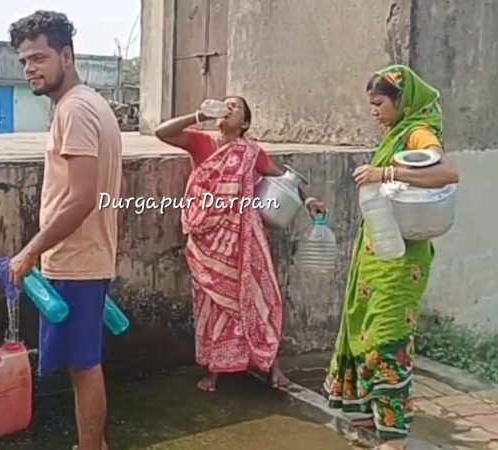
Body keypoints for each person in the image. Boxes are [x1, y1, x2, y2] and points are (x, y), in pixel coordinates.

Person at [323, 65, 459, 450]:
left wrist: (385, 173)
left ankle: (394, 436)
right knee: (362, 327)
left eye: (379, 102)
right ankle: (372, 411)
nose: (373, 110)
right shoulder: (396, 134)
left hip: (402, 260)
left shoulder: (419, 131)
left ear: (403, 100)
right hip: (378, 252)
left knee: (387, 336)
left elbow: (447, 172)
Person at [7, 10, 122, 450]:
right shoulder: (92, 104)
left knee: (83, 366)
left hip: (76, 261)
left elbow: (82, 197)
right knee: (83, 363)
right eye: (24, 62)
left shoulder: (74, 110)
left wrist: (29, 252)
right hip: (87, 256)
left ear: (67, 56)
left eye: (39, 57)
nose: (30, 68)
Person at [154, 96, 325, 392]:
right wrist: (197, 114)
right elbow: (162, 132)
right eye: (225, 104)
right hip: (207, 239)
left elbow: (282, 179)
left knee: (256, 297)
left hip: (242, 240)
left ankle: (272, 366)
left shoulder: (251, 152)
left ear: (244, 123)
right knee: (213, 304)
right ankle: (214, 370)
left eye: (235, 107)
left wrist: (308, 200)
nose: (227, 107)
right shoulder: (201, 142)